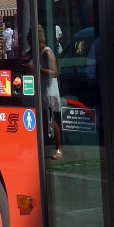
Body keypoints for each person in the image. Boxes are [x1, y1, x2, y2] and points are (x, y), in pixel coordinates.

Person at [37, 26, 61, 158]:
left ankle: (58, 149)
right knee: (47, 120)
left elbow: (55, 72)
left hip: (50, 92)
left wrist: (37, 69)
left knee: (52, 121)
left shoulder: (47, 52)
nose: (28, 40)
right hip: (44, 91)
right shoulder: (38, 52)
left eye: (30, 37)